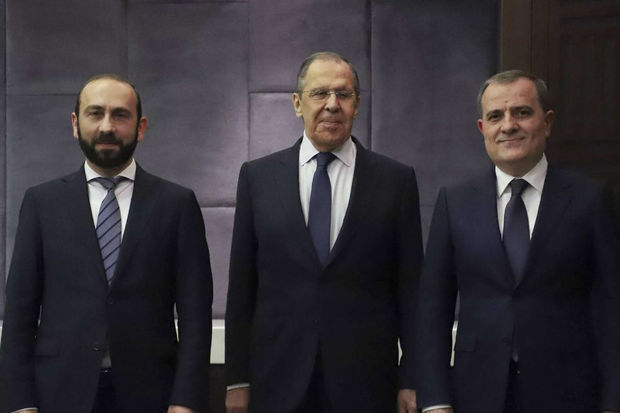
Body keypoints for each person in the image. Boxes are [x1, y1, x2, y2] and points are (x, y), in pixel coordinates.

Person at [0, 74, 213, 413]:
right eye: (95, 113)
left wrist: (185, 400)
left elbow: (196, 314)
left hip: (151, 394)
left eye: (120, 115)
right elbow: (19, 312)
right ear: (75, 124)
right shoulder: (42, 203)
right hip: (59, 393)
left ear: (141, 127)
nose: (107, 126)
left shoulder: (176, 204)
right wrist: (20, 403)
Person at [224, 51, 423, 413]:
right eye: (319, 93)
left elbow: (411, 291)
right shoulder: (257, 178)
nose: (332, 104)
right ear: (297, 103)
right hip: (277, 381)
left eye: (343, 94)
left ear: (356, 105)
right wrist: (237, 379)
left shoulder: (395, 181)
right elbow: (242, 287)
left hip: (365, 384)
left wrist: (411, 378)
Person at [414, 70, 620, 413]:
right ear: (482, 128)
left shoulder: (590, 200)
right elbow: (433, 307)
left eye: (522, 112)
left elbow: (612, 310)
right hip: (476, 393)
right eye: (496, 116)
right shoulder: (455, 202)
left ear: (547, 122)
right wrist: (435, 401)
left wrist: (613, 402)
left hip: (569, 393)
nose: (508, 125)